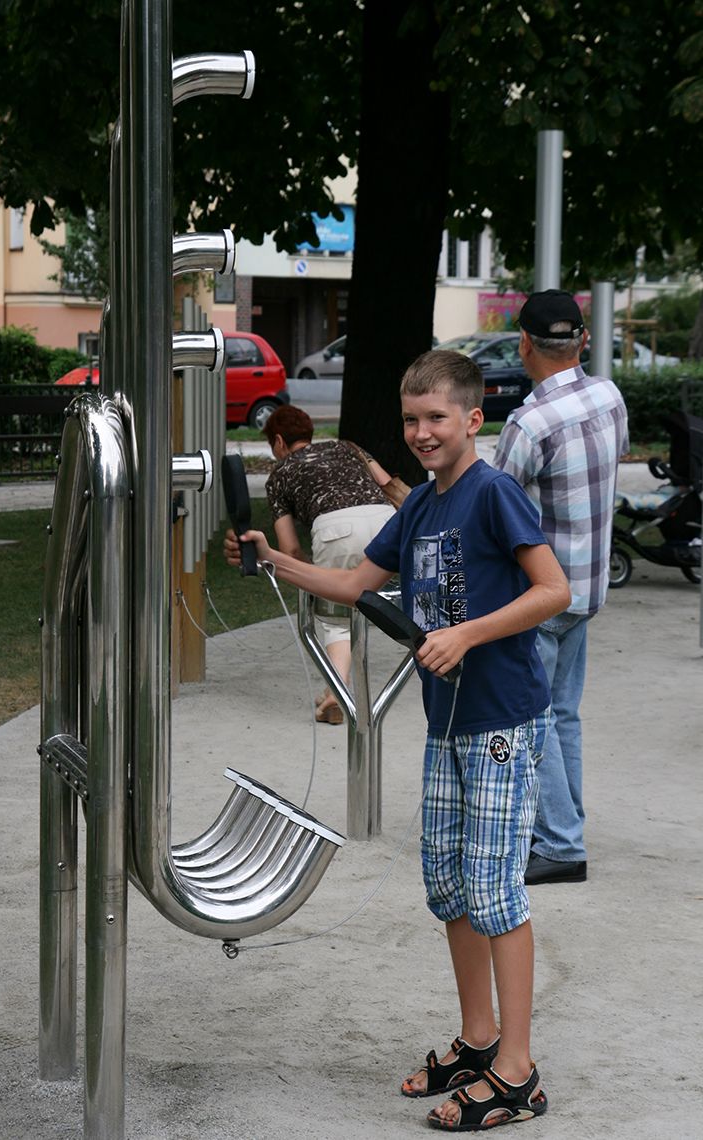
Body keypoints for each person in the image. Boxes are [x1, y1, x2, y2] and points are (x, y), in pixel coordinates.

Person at [226, 350, 571, 1131]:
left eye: (437, 418)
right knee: (448, 886)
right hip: (446, 721)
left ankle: (518, 1073)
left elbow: (555, 589)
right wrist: (274, 559)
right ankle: (480, 1042)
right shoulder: (418, 508)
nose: (421, 432)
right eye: (411, 419)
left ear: (473, 420)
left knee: (492, 890)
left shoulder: (493, 494)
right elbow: (352, 585)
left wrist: (469, 635)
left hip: (502, 723)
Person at [494, 289, 629, 886]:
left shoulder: (528, 421)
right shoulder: (609, 395)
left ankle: (561, 844)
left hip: (543, 594)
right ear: (582, 341)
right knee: (564, 714)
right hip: (590, 586)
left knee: (536, 718)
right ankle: (565, 825)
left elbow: (492, 503)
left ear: (524, 344)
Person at [261, 404, 396, 723]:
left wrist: (316, 577)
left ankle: (337, 691)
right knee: (381, 600)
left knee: (335, 616)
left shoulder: (280, 474)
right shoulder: (347, 446)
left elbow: (290, 550)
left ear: (279, 441)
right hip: (386, 520)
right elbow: (387, 482)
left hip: (336, 529)